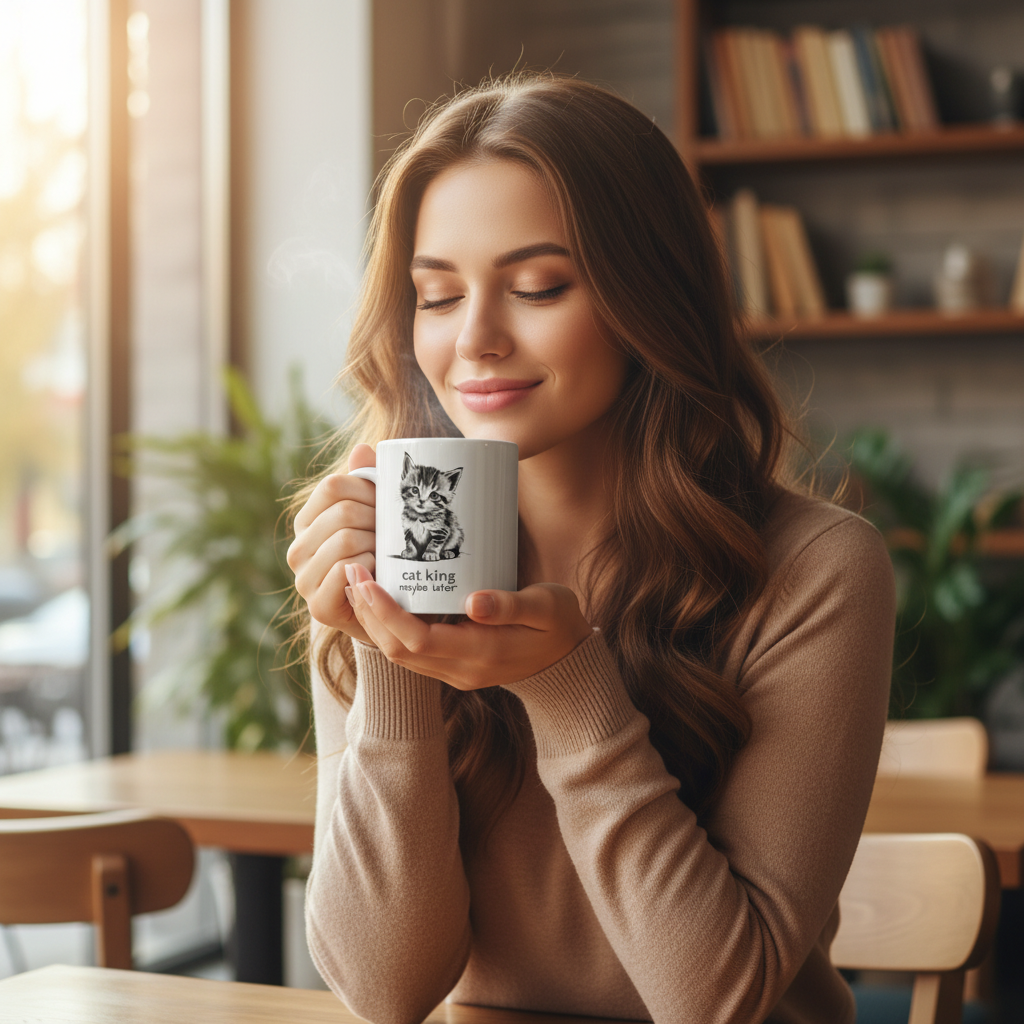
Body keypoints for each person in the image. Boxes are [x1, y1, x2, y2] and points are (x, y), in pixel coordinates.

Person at [287, 74, 895, 1024]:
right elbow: (385, 989)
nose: (475, 340)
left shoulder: (815, 571)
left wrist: (570, 685)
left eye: (537, 287)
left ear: (646, 297)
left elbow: (717, 1000)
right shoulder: (380, 546)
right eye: (437, 296)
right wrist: (390, 652)